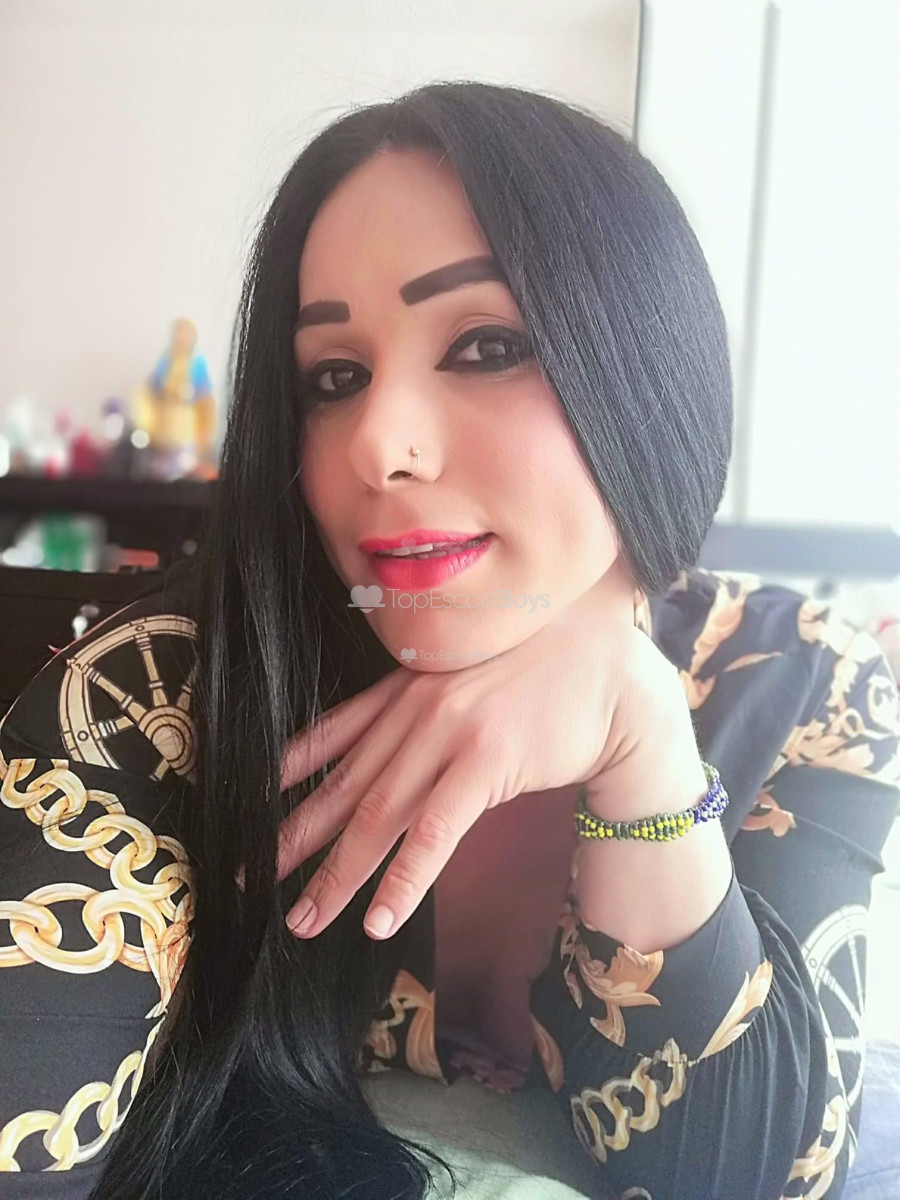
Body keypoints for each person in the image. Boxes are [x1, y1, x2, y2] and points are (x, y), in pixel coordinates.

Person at [1, 81, 898, 1200]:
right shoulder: (170, 683)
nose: (377, 445)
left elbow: (753, 1172)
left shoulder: (808, 677)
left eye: (485, 345)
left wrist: (644, 746)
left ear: (648, 370)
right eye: (334, 378)